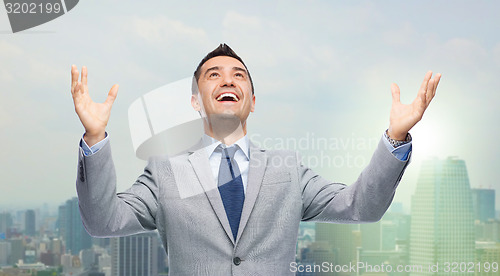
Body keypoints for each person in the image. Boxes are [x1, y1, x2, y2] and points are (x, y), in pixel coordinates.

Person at [70, 44, 441, 275]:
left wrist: (395, 137)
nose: (227, 81)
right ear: (196, 102)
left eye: (239, 76)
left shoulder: (288, 170)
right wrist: (95, 138)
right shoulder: (166, 171)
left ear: (252, 100)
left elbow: (362, 206)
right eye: (213, 75)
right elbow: (103, 221)